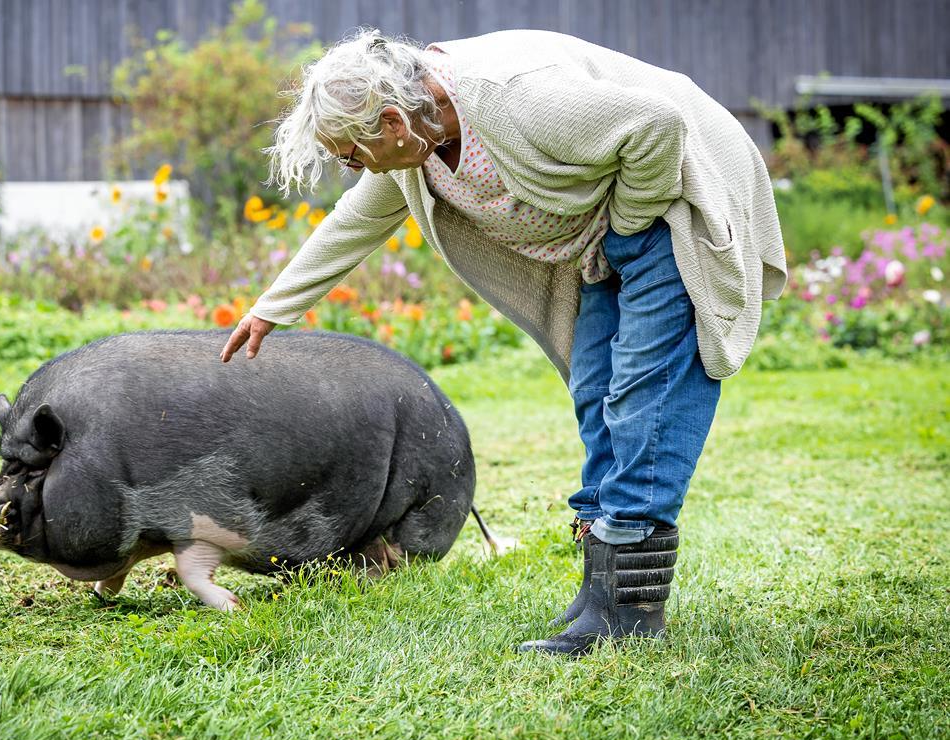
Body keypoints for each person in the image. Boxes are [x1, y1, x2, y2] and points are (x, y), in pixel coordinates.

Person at [220, 28, 786, 656]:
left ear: (390, 122)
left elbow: (657, 123)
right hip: (612, 229)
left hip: (675, 201)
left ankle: (628, 612)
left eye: (352, 154)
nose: (354, 168)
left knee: (644, 397)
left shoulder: (512, 97)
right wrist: (273, 310)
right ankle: (606, 589)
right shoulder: (421, 139)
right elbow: (356, 219)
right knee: (597, 391)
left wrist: (626, 226)